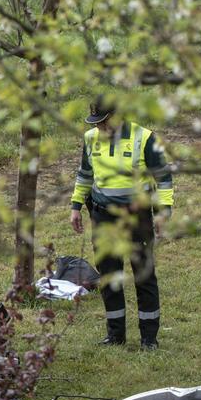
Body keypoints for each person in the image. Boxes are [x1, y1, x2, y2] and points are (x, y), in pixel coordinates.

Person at [69, 96, 174, 351]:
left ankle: (149, 338)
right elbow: (85, 174)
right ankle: (115, 335)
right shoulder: (91, 138)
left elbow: (163, 178)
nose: (100, 128)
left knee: (144, 276)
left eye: (104, 123)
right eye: (97, 123)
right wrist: (75, 206)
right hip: (103, 216)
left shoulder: (145, 137)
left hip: (136, 218)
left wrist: (163, 212)